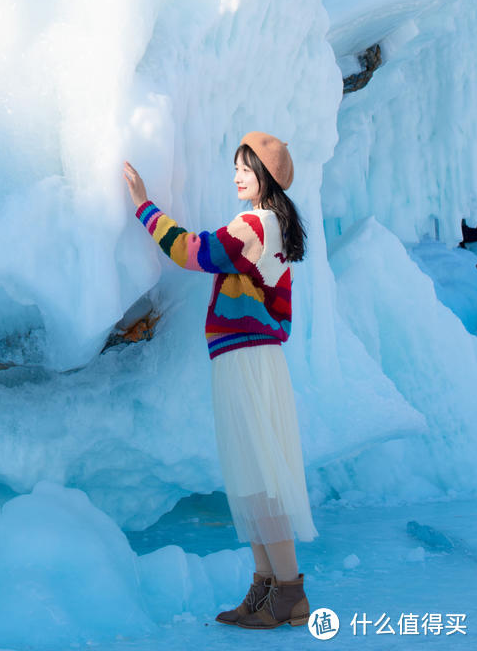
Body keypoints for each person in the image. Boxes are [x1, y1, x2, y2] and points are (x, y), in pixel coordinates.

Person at [122, 132, 317, 631]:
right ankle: (267, 586)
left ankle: (288, 591)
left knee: (259, 474)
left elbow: (194, 252)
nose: (236, 176)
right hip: (248, 355)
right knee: (252, 474)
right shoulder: (272, 222)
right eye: (236, 167)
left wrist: (144, 207)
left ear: (265, 177)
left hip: (249, 357)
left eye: (245, 169)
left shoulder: (257, 223)